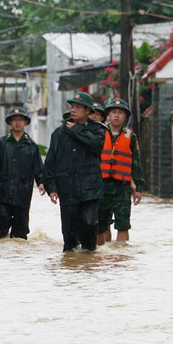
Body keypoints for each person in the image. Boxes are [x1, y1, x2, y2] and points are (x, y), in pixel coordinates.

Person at [43, 91, 106, 252]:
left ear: (88, 111)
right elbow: (50, 162)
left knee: (90, 224)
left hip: (90, 189)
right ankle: (71, 264)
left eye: (78, 107)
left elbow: (96, 145)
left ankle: (89, 258)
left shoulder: (97, 130)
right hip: (67, 188)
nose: (73, 110)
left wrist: (77, 130)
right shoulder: (59, 133)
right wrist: (52, 188)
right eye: (72, 106)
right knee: (69, 235)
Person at [97, 97, 145, 245]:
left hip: (122, 187)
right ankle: (102, 253)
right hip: (101, 185)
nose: (116, 115)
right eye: (113, 112)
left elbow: (136, 163)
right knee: (100, 224)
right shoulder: (99, 133)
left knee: (123, 223)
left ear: (125, 116)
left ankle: (121, 255)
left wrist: (138, 188)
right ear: (108, 114)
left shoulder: (131, 137)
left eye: (120, 112)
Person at [0, 107, 45, 240]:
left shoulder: (31, 146)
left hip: (23, 192)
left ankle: (19, 251)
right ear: (10, 122)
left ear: (25, 122)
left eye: (20, 119)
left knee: (20, 233)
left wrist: (41, 182)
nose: (17, 122)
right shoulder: (1, 143)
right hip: (3, 190)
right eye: (14, 119)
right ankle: (4, 238)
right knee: (1, 219)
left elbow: (38, 168)